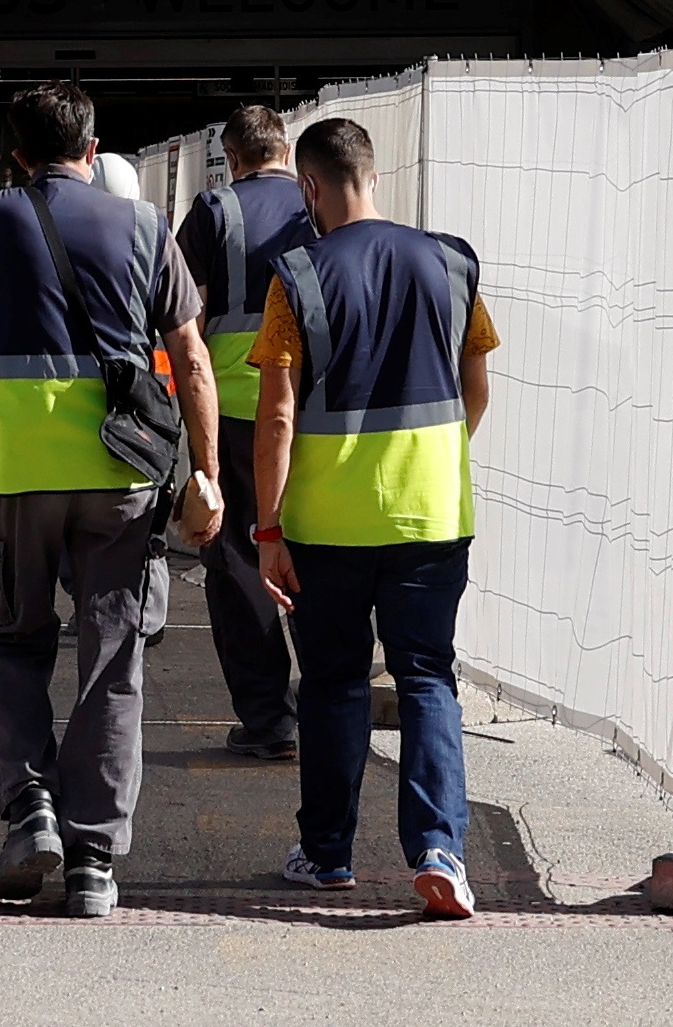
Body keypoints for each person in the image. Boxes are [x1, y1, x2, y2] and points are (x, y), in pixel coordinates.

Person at [0, 81, 224, 920]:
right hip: (123, 475)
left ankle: (29, 811)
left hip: (12, 469)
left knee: (12, 641)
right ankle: (94, 863)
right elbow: (192, 354)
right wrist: (205, 472)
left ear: (16, 152)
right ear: (94, 142)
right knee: (114, 661)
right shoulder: (146, 228)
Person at [247, 111, 495, 920]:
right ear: (375, 175)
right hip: (430, 515)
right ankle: (439, 852)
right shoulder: (452, 263)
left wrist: (270, 527)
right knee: (427, 677)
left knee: (330, 684)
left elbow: (278, 415)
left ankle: (326, 856)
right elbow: (476, 384)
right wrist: (432, 462)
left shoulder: (298, 276)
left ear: (309, 187)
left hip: (328, 526)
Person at [176, 106, 313, 760]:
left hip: (235, 405)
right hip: (314, 405)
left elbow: (173, 304)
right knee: (314, 551)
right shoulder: (317, 200)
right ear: (283, 149)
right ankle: (328, 709)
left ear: (231, 156)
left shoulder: (213, 210)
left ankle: (269, 722)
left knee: (237, 563)